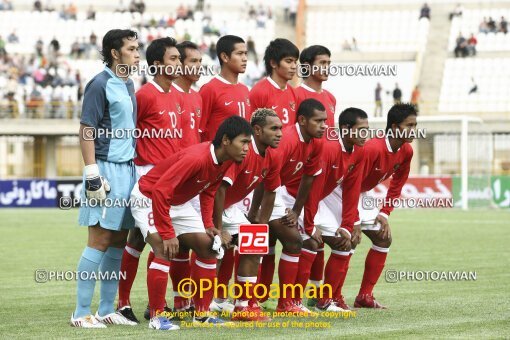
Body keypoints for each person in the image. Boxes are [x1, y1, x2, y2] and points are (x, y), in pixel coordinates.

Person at [130, 116, 252, 327]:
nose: (247, 148)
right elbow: (160, 190)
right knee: (163, 247)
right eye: (243, 141)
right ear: (225, 140)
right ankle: (158, 317)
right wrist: (168, 234)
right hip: (148, 197)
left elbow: (209, 190)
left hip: (177, 202)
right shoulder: (197, 158)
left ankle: (202, 315)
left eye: (248, 143)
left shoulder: (227, 160)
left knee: (209, 247)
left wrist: (208, 225)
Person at [71, 29, 140, 328]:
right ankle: (80, 313)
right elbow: (87, 128)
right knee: (99, 239)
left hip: (128, 169)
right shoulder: (99, 84)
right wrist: (91, 173)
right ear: (115, 53)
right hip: (105, 169)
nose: (138, 54)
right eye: (132, 48)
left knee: (118, 242)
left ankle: (106, 309)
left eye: (138, 48)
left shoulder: (129, 83)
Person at [116, 37, 185, 324]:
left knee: (144, 240)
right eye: (173, 59)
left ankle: (148, 304)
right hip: (148, 180)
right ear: (157, 64)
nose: (178, 63)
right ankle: (138, 306)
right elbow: (126, 131)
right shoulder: (144, 95)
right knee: (156, 243)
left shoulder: (178, 96)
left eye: (179, 58)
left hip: (173, 182)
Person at [249, 98, 326, 313]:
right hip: (261, 189)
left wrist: (296, 211)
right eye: (318, 121)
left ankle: (268, 301)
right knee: (288, 241)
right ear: (302, 120)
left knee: (274, 243)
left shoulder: (317, 142)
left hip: (277, 192)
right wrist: (255, 213)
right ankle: (258, 302)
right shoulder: (287, 141)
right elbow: (264, 177)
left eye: (325, 121)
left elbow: (309, 178)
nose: (323, 126)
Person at [206, 108, 282, 320]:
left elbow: (270, 191)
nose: (279, 133)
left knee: (255, 243)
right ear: (257, 130)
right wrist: (218, 229)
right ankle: (198, 304)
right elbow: (219, 190)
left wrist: (261, 225)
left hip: (229, 207)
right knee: (214, 250)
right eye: (273, 128)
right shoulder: (242, 153)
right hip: (207, 203)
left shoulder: (273, 156)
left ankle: (243, 307)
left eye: (281, 128)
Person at [295, 107, 368, 312]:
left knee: (344, 242)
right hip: (294, 197)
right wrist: (310, 225)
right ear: (345, 129)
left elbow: (353, 190)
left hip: (320, 199)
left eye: (367, 130)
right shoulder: (328, 148)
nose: (365, 135)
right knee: (310, 241)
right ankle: (292, 302)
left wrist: (348, 224)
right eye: (361, 130)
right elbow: (312, 189)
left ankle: (326, 300)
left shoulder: (359, 151)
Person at [352, 103, 416, 309]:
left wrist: (385, 213)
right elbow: (350, 182)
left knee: (383, 237)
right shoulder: (372, 148)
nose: (415, 130)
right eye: (410, 125)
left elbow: (398, 183)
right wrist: (352, 219)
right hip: (339, 191)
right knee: (344, 240)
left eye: (416, 125)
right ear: (395, 127)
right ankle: (327, 296)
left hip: (361, 192)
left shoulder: (406, 150)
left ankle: (365, 296)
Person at [199, 35, 251, 142]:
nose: (245, 58)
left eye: (245, 54)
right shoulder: (209, 89)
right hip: (217, 157)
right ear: (225, 57)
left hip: (242, 157)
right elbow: (199, 131)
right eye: (239, 54)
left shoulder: (245, 89)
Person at [249, 38, 299, 129]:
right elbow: (250, 131)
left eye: (295, 62)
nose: (294, 66)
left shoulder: (294, 93)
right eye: (289, 61)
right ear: (273, 63)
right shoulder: (259, 92)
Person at [295, 45, 336, 128]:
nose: (327, 67)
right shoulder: (295, 95)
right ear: (307, 66)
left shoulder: (331, 97)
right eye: (322, 63)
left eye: (328, 63)